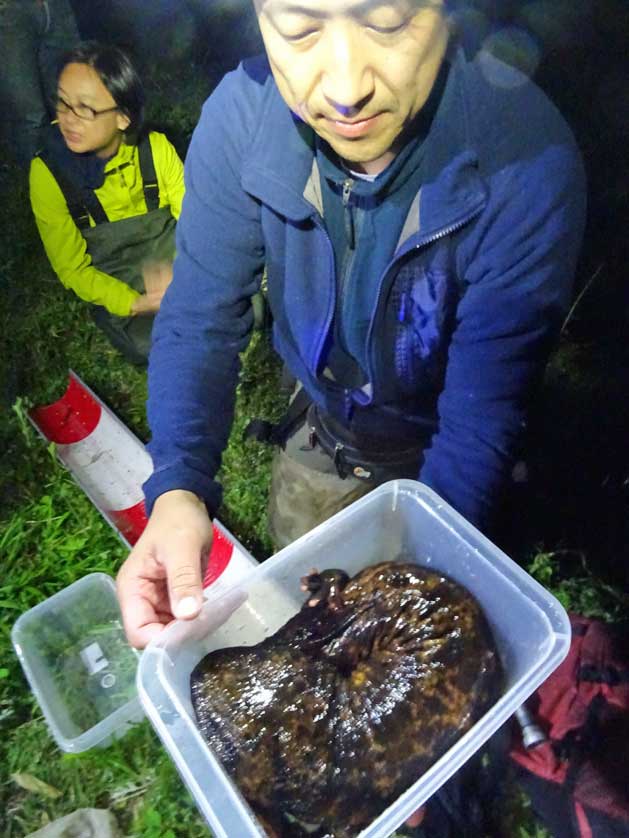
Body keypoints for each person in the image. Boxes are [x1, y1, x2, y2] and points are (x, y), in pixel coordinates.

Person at [117, 0, 586, 646]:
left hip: (441, 442)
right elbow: (199, 315)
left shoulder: (527, 162)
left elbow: (481, 419)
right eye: (299, 28)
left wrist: (420, 588)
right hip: (327, 425)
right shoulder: (242, 116)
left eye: (388, 22)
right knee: (307, 615)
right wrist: (176, 487)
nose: (344, 89)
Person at [29, 41, 184, 365]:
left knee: (245, 305)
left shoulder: (155, 148)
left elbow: (196, 219)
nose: (68, 120)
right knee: (150, 344)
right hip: (114, 277)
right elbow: (73, 269)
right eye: (62, 102)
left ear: (123, 118)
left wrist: (187, 272)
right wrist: (134, 303)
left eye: (85, 108)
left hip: (172, 257)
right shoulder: (48, 173)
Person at [0, 0, 80, 168]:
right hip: (10, 12)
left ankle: (83, 175)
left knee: (73, 97)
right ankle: (43, 180)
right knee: (30, 115)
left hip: (57, 7)